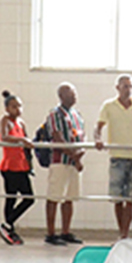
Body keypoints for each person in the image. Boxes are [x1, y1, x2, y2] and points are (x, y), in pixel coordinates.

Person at [91, 76, 132, 237]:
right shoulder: (109, 106)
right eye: (125, 86)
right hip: (117, 156)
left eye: (130, 86)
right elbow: (98, 126)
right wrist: (98, 139)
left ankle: (125, 233)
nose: (128, 89)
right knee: (117, 197)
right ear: (117, 87)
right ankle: (122, 232)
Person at [36, 84, 86, 246]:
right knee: (54, 196)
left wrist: (79, 156)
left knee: (69, 197)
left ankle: (66, 231)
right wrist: (74, 156)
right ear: (62, 96)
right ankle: (51, 233)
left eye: (75, 93)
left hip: (74, 162)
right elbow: (57, 137)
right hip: (60, 161)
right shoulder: (54, 114)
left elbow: (81, 137)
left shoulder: (77, 115)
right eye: (71, 94)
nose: (74, 96)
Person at [0, 92, 33, 245]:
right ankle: (8, 226)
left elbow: (27, 143)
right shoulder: (5, 121)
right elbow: (4, 137)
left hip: (22, 165)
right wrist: (22, 139)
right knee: (12, 197)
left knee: (28, 197)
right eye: (13, 106)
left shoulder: (21, 123)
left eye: (19, 106)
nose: (17, 109)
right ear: (7, 108)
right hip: (10, 165)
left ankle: (8, 224)